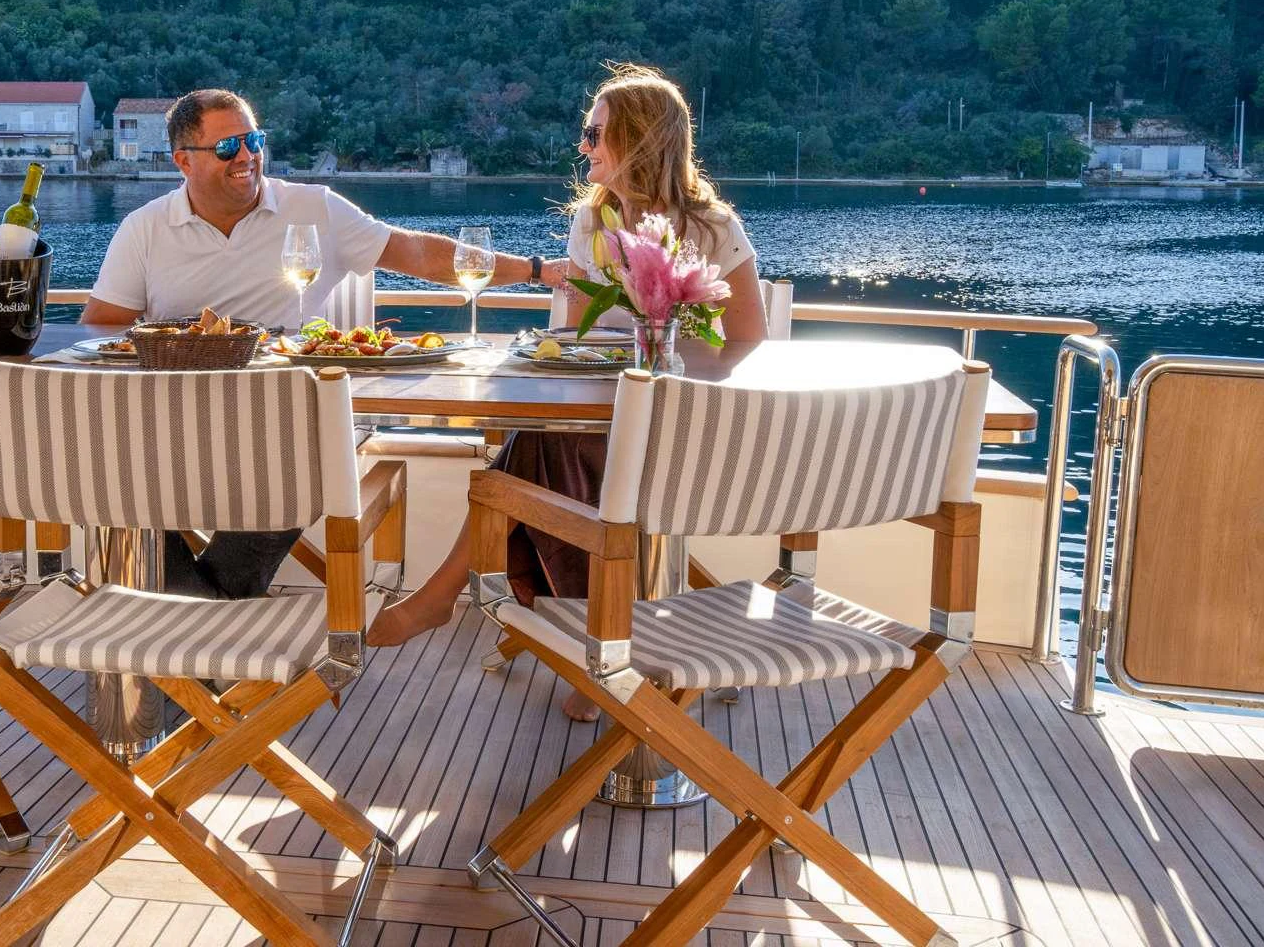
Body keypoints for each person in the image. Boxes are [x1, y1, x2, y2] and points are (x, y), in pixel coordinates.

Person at [366, 63, 771, 720]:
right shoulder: (592, 220)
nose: (583, 146)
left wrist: (670, 357)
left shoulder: (712, 227)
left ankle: (529, 626)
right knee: (546, 441)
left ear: (639, 139)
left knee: (531, 457)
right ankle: (598, 648)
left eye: (595, 133)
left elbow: (749, 338)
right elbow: (578, 337)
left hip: (685, 432)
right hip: (599, 422)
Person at [81, 88, 570, 600]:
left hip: (289, 424)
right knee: (115, 473)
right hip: (178, 427)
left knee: (286, 468)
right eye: (227, 147)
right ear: (183, 161)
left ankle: (186, 615)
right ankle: (208, 614)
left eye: (254, 141)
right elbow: (100, 332)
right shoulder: (145, 229)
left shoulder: (314, 208)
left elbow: (418, 254)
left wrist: (537, 270)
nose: (247, 156)